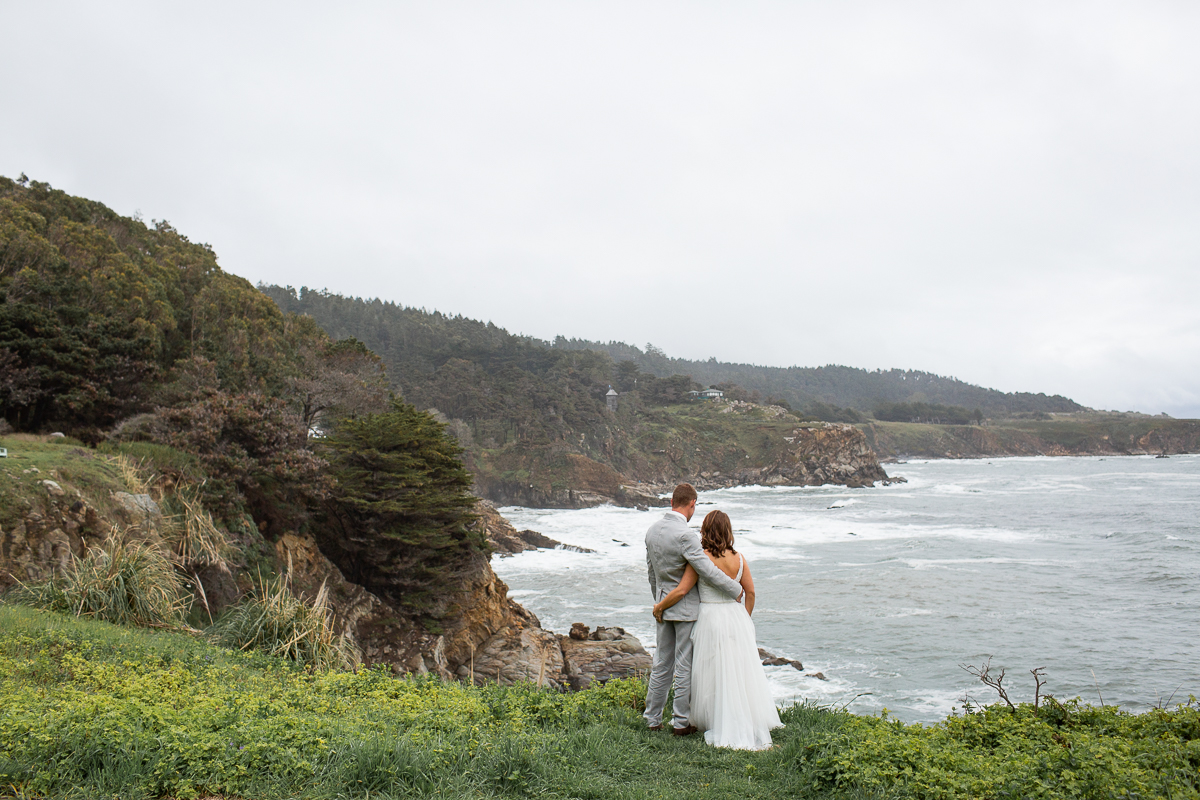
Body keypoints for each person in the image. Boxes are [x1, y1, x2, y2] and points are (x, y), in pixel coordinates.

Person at [653, 509, 782, 750]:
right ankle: (741, 717)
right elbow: (750, 593)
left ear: (706, 531)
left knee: (710, 671)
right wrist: (745, 618)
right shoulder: (740, 558)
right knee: (736, 672)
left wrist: (660, 606)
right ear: (727, 531)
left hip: (709, 618)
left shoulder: (701, 559)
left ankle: (713, 719)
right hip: (736, 618)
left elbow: (681, 590)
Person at [643, 484, 745, 736]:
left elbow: (651, 573)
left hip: (662, 607)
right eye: (694, 506)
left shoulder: (652, 531)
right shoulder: (686, 535)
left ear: (671, 502)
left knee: (661, 664)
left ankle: (652, 719)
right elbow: (706, 570)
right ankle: (680, 723)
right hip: (686, 609)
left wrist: (659, 603)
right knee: (684, 665)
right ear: (691, 504)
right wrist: (735, 589)